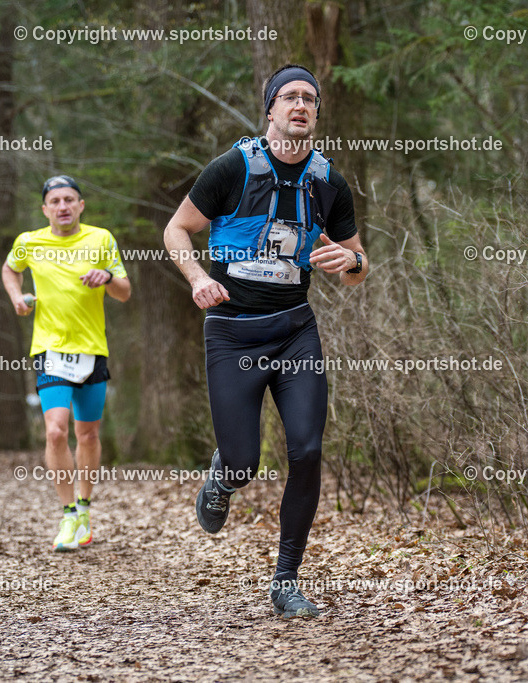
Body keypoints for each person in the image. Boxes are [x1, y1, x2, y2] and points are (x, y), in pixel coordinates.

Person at [163, 65, 368, 617]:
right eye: (289, 97)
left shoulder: (330, 183)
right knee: (243, 461)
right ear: (270, 111)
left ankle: (285, 579)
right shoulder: (232, 168)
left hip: (295, 330)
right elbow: (176, 229)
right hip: (232, 334)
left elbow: (356, 266)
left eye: (309, 98)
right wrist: (199, 278)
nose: (300, 105)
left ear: (317, 114)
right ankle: (222, 478)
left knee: (307, 449)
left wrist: (350, 261)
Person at [2, 175, 131, 551]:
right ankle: (68, 513)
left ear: (80, 205)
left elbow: (124, 293)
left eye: (69, 199)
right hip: (50, 350)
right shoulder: (29, 241)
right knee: (56, 432)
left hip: (92, 350)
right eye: (55, 201)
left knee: (87, 435)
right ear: (45, 209)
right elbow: (10, 269)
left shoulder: (101, 239)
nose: (62, 206)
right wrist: (16, 296)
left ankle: (86, 508)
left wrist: (107, 276)